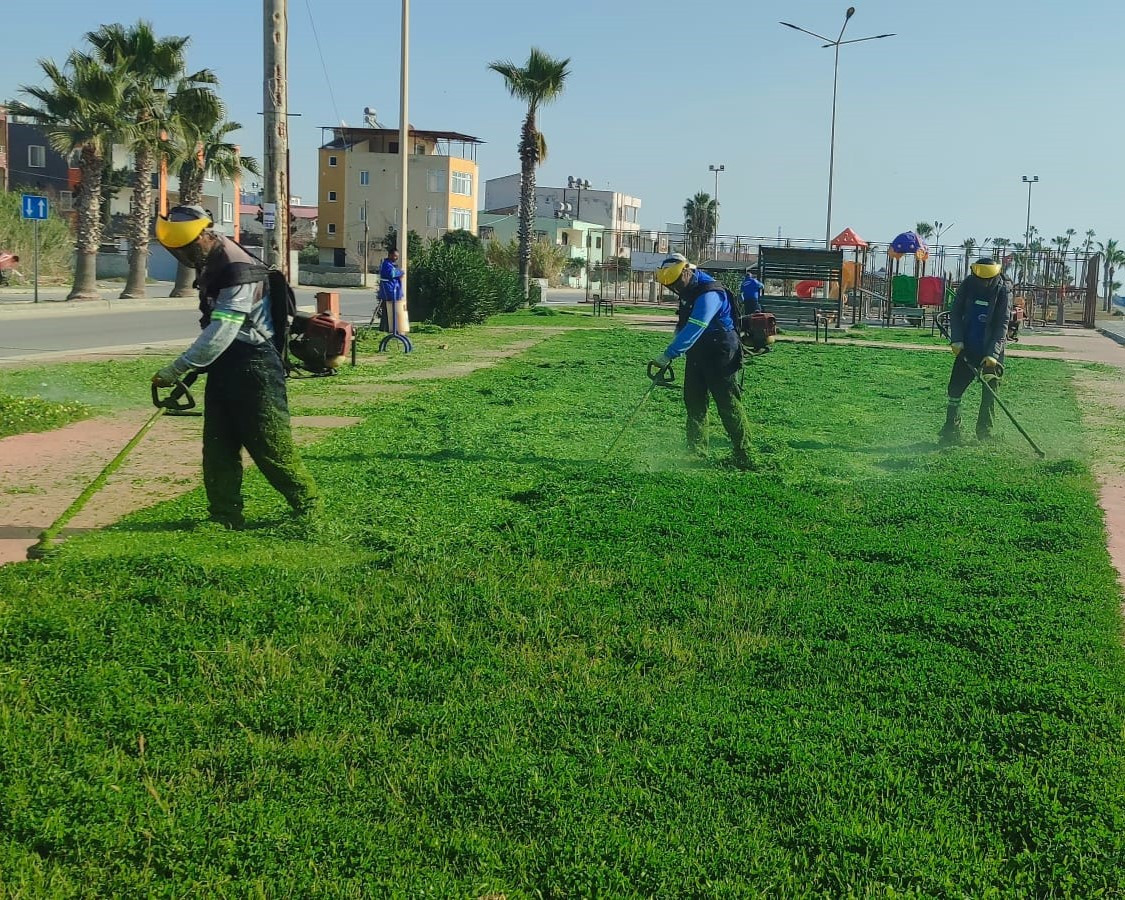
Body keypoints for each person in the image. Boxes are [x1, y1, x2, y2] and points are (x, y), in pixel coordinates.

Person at [152, 204, 319, 530]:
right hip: (225, 364)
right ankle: (224, 514)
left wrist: (178, 368)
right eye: (178, 251)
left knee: (270, 445)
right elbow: (217, 331)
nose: (184, 256)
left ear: (203, 235)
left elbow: (223, 329)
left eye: (186, 248)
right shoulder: (212, 261)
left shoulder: (236, 267)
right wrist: (198, 366)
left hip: (255, 366)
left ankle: (308, 506)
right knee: (218, 447)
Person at [650, 253, 754, 469]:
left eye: (677, 283)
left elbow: (697, 325)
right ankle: (695, 452)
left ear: (687, 271)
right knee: (694, 400)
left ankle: (743, 452)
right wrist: (675, 345)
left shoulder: (710, 293)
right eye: (671, 286)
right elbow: (684, 326)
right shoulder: (687, 289)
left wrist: (670, 353)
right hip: (697, 350)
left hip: (720, 349)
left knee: (727, 402)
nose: (675, 288)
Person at [939, 256, 1012, 444]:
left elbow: (1002, 323)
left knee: (990, 392)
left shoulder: (1003, 290)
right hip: (967, 347)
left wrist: (993, 354)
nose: (985, 283)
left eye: (989, 279)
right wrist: (957, 340)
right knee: (955, 388)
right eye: (981, 279)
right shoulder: (968, 285)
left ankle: (984, 432)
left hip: (991, 352)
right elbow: (955, 312)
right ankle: (951, 428)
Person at [377, 248, 404, 332]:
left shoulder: (391, 265)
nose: (396, 258)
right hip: (389, 292)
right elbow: (391, 273)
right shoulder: (386, 265)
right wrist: (401, 272)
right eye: (395, 256)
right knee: (388, 312)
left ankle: (387, 328)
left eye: (397, 256)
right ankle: (387, 329)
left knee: (388, 312)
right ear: (390, 255)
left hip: (392, 292)